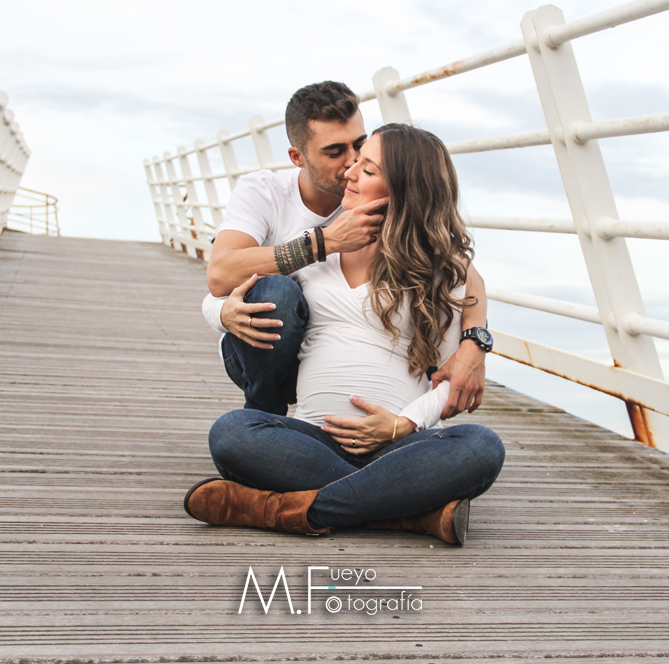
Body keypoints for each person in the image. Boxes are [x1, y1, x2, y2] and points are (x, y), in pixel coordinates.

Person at [186, 124, 505, 545]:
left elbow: (448, 377)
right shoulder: (316, 249)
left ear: (404, 189)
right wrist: (222, 312)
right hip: (312, 440)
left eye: (367, 169)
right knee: (232, 432)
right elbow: (227, 291)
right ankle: (404, 513)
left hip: (396, 445)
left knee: (482, 446)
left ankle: (282, 509)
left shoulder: (443, 273)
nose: (350, 173)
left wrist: (403, 425)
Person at [202, 81, 490, 419]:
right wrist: (326, 242)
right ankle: (264, 414)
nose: (352, 162)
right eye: (334, 152)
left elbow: (459, 271)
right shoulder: (264, 192)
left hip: (349, 359)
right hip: (265, 347)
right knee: (276, 292)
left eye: (360, 146)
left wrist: (475, 343)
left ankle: (392, 427)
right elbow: (220, 277)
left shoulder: (372, 193)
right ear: (297, 157)